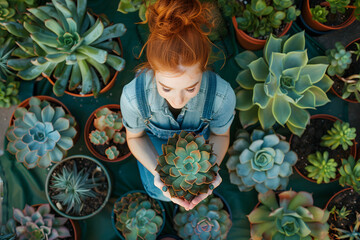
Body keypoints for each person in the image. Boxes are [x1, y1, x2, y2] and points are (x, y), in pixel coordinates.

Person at [120, 0, 236, 210]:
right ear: (152, 70)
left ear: (204, 69)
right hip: (155, 144)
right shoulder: (133, 96)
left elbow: (221, 135)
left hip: (198, 153)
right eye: (166, 88)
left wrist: (210, 170)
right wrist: (160, 173)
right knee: (159, 192)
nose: (178, 100)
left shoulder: (222, 95)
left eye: (191, 88)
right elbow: (135, 137)